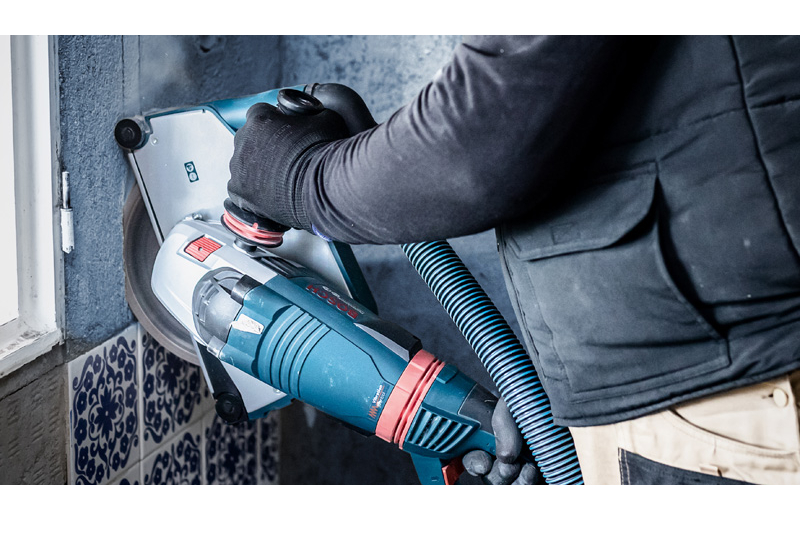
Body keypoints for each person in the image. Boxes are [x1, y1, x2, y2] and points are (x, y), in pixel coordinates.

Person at [227, 36, 800, 485]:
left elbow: (484, 145)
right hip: (702, 393)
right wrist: (563, 393)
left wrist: (301, 180)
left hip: (730, 397)